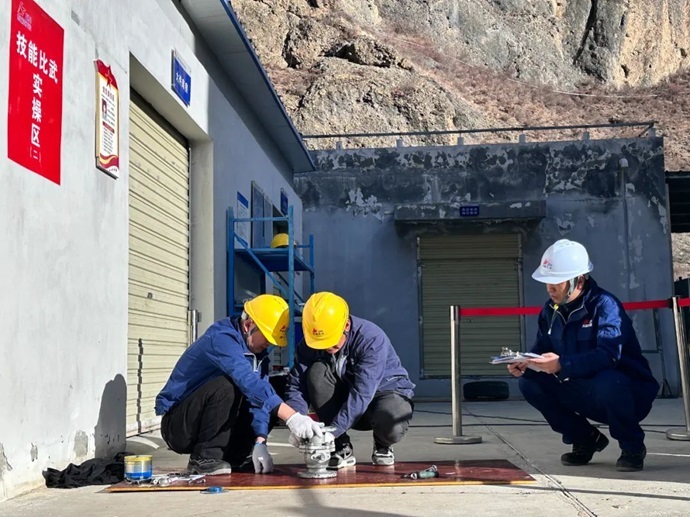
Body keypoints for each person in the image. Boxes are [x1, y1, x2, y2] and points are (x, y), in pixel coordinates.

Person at [509, 239, 659, 472]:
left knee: (609, 382)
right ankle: (585, 438)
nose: (549, 288)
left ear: (579, 281)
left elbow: (608, 355)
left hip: (626, 394)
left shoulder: (605, 306)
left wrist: (562, 364)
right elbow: (541, 348)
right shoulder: (550, 311)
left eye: (556, 282)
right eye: (547, 281)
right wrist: (525, 363)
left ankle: (632, 447)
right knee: (530, 383)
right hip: (581, 387)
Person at [155, 294, 324, 475]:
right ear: (248, 324)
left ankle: (237, 455)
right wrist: (291, 417)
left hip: (204, 419)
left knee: (276, 387)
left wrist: (260, 441)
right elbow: (247, 381)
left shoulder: (258, 355)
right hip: (179, 427)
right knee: (228, 385)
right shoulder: (221, 339)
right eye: (267, 337)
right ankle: (204, 457)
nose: (269, 343)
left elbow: (261, 399)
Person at [284, 292, 415, 468]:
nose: (326, 347)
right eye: (320, 342)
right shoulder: (309, 344)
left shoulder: (371, 339)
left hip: (381, 396)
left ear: (346, 325)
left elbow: (363, 392)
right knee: (316, 372)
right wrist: (297, 419)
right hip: (345, 400)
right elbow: (296, 385)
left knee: (392, 420)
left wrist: (334, 431)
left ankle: (382, 444)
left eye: (331, 341)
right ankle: (341, 447)